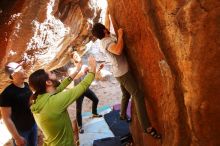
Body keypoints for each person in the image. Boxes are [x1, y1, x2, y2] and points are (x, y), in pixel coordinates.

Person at [91, 11, 161, 139]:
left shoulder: (103, 38)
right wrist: (121, 35)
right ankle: (146, 127)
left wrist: (107, 14)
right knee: (138, 95)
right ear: (105, 31)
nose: (107, 27)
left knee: (125, 93)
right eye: (105, 28)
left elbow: (105, 25)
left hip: (118, 72)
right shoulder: (107, 43)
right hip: (123, 73)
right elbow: (118, 50)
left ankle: (122, 115)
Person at [28, 55, 97, 146]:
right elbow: (82, 86)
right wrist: (93, 67)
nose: (53, 73)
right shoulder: (54, 102)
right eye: (51, 73)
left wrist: (78, 68)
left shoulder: (40, 98)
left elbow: (62, 85)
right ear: (48, 82)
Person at [0, 62, 38, 146]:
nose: (24, 70)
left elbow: (30, 102)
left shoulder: (26, 85)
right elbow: (6, 118)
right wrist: (17, 137)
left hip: (33, 125)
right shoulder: (7, 94)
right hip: (20, 131)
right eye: (21, 69)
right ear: (13, 74)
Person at [70, 51, 103, 134]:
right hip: (78, 91)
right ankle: (80, 126)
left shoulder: (84, 66)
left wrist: (99, 68)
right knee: (78, 110)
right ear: (72, 60)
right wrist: (82, 72)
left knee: (96, 100)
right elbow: (75, 76)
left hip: (85, 89)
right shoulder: (71, 70)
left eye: (77, 55)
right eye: (75, 56)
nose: (77, 56)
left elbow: (93, 73)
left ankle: (94, 113)